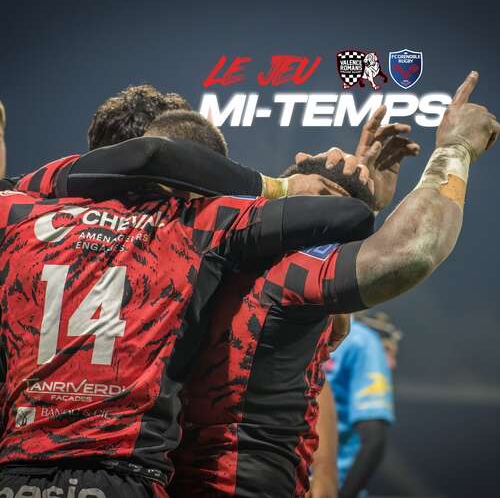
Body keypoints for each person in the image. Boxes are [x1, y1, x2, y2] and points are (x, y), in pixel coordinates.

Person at [0, 110, 377, 497]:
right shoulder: (203, 225)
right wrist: (280, 188)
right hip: (133, 475)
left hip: (20, 472)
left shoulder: (23, 211)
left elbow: (149, 156)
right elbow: (352, 217)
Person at [169, 71, 499, 497]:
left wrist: (360, 206)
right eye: (327, 201)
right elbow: (414, 249)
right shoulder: (285, 278)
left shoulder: (206, 257)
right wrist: (455, 149)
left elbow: (334, 299)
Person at [322, 312, 401, 498]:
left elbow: (373, 441)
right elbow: (374, 440)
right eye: (387, 350)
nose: (392, 364)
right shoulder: (364, 341)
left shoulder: (307, 331)